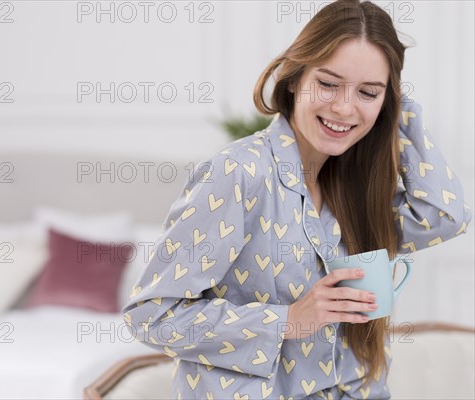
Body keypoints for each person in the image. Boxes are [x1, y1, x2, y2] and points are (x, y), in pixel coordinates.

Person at [123, 0, 472, 398]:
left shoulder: (358, 189)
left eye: (368, 92)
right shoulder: (239, 173)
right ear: (293, 79)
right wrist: (287, 320)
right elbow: (151, 315)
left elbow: (445, 216)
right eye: (327, 83)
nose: (343, 107)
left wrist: (402, 111)